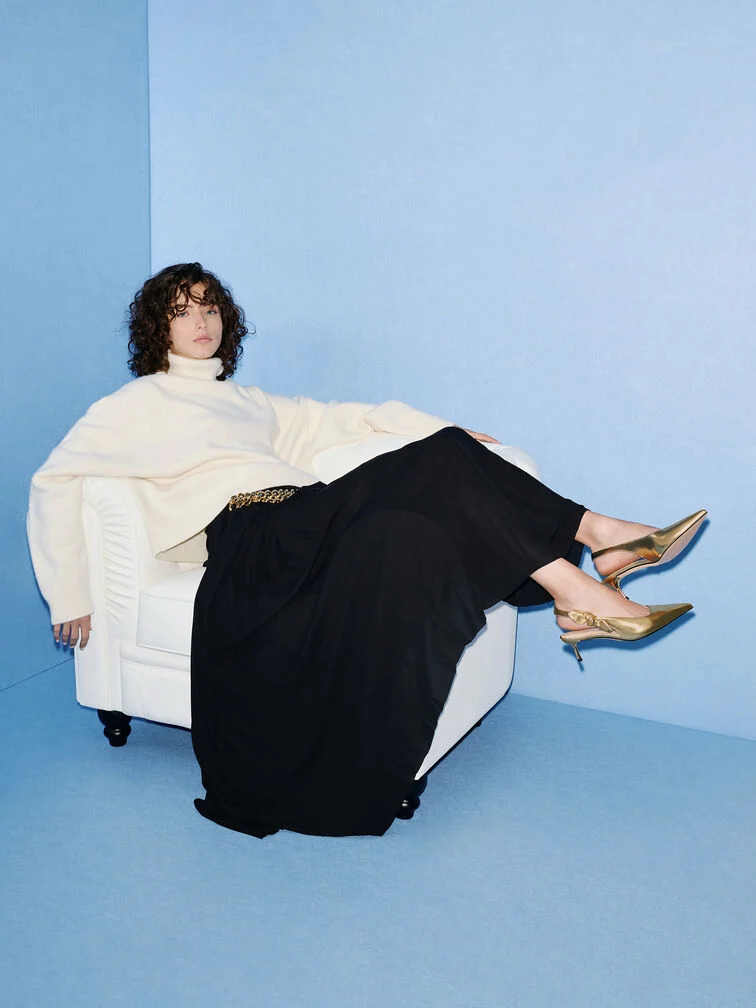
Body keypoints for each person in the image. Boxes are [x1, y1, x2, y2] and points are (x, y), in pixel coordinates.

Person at [27, 262, 705, 839]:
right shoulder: (135, 402)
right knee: (441, 461)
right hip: (252, 540)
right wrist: (70, 594)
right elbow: (54, 480)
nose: (200, 322)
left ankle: (583, 584)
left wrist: (454, 432)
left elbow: (349, 418)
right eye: (181, 312)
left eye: (209, 308)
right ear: (159, 328)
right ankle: (598, 550)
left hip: (301, 524)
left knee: (428, 493)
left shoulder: (252, 403)